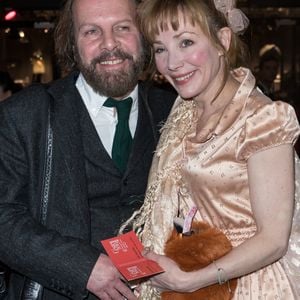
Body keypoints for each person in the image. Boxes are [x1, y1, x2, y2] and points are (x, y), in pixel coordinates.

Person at [0, 0, 176, 299]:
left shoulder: (173, 111)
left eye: (122, 28)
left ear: (144, 35)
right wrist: (82, 268)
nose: (110, 44)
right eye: (91, 32)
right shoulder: (24, 115)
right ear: (72, 42)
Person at [124, 0, 300, 299]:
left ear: (223, 41)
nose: (172, 63)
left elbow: (273, 240)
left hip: (249, 283)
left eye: (186, 42)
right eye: (160, 48)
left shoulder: (261, 118)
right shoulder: (185, 109)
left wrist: (192, 280)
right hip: (194, 268)